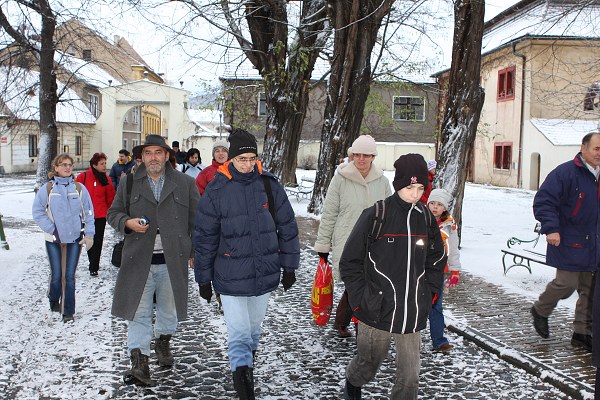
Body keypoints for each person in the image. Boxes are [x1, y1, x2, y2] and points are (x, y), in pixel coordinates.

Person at [194, 128, 300, 399]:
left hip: (263, 272)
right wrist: (203, 279)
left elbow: (287, 227)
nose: (248, 164)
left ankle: (246, 369)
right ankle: (245, 390)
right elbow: (205, 237)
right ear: (231, 159)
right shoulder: (217, 189)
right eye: (242, 159)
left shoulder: (269, 185)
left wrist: (289, 267)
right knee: (239, 335)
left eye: (252, 158)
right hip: (229, 275)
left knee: (253, 333)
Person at [339, 153, 446, 400]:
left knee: (410, 378)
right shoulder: (376, 215)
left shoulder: (426, 217)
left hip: (412, 311)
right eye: (410, 187)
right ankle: (353, 383)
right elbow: (350, 262)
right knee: (368, 364)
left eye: (421, 188)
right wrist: (361, 298)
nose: (416, 193)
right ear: (398, 184)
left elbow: (436, 259)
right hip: (377, 309)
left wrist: (428, 292)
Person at [107, 134, 200, 386]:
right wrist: (127, 222)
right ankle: (140, 363)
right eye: (148, 153)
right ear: (142, 157)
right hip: (139, 260)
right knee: (139, 311)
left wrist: (194, 251)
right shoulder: (129, 183)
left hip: (173, 260)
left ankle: (163, 342)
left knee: (169, 312)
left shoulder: (184, 183)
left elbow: (197, 221)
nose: (153, 158)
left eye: (158, 152)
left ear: (167, 155)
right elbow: (113, 213)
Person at [314, 134, 392, 337]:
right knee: (355, 284)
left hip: (374, 244)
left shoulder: (382, 181)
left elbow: (391, 214)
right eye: (357, 154)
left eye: (366, 155)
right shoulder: (340, 179)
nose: (361, 159)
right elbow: (329, 213)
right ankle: (360, 328)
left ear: (373, 157)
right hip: (346, 242)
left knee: (364, 286)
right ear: (352, 155)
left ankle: (344, 322)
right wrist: (323, 246)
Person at [532, 131, 600, 353]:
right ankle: (541, 310)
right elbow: (544, 201)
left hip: (595, 243)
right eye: (596, 148)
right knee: (567, 284)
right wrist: (551, 228)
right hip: (569, 240)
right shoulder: (566, 173)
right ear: (583, 148)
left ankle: (582, 332)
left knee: (589, 291)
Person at [32, 153, 95, 323]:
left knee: (69, 276)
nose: (67, 167)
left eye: (70, 164)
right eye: (63, 164)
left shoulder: (79, 188)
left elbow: (89, 212)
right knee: (57, 275)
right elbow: (37, 212)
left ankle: (68, 311)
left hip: (74, 239)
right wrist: (52, 230)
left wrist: (89, 234)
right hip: (54, 240)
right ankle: (53, 297)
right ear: (56, 168)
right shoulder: (48, 189)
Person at [427, 188, 461, 352]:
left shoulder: (449, 225)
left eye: (439, 204)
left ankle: (439, 341)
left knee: (436, 305)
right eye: (432, 203)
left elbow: (453, 248)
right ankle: (409, 338)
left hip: (439, 270)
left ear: (445, 208)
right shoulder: (420, 219)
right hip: (419, 269)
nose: (434, 207)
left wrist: (455, 270)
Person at [76, 152, 116, 276]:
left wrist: (111, 211)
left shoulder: (106, 178)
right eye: (101, 164)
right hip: (85, 215)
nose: (104, 166)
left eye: (105, 163)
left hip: (100, 215)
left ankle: (94, 266)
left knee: (98, 241)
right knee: (88, 239)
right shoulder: (83, 177)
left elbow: (110, 197)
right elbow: (75, 193)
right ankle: (92, 261)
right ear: (94, 165)